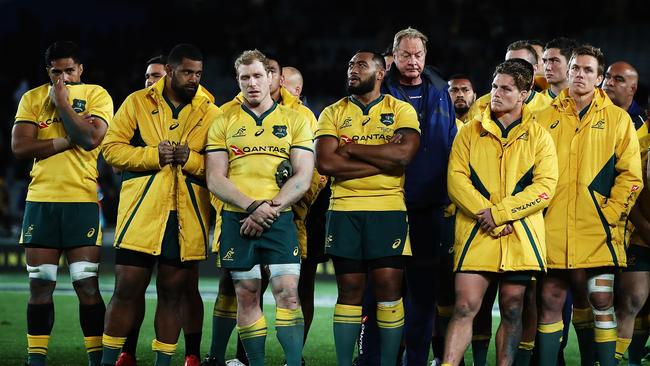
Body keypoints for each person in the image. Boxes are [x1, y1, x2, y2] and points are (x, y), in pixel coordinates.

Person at [100, 43, 218, 366]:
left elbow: (222, 168)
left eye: (198, 73)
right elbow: (110, 149)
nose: (193, 79)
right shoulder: (137, 102)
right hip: (141, 215)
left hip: (186, 216)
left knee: (172, 293)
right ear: (169, 71)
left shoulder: (211, 112)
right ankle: (110, 360)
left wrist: (191, 160)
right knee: (126, 289)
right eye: (187, 72)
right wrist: (153, 155)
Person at [202, 55, 322, 366]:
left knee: (288, 294)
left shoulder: (295, 120)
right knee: (245, 293)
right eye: (245, 78)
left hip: (280, 219)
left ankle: (294, 363)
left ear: (271, 79)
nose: (252, 83)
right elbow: (214, 177)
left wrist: (269, 208)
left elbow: (303, 176)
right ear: (237, 80)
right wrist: (252, 207)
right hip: (237, 218)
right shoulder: (223, 122)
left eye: (257, 76)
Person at [440, 58, 558, 366]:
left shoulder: (540, 136)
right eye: (494, 86)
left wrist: (501, 213)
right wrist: (488, 215)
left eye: (506, 89)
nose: (496, 93)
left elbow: (545, 187)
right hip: (477, 231)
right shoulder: (468, 132)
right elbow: (455, 179)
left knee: (513, 307)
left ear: (524, 93)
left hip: (518, 235)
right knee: (464, 306)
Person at [536, 45, 643, 366]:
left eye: (587, 70)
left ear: (599, 78)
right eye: (575, 68)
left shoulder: (618, 120)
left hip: (599, 229)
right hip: (552, 227)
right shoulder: (543, 118)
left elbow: (632, 177)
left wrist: (610, 214)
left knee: (601, 299)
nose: (579, 74)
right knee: (550, 299)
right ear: (567, 73)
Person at [315, 50, 421, 366]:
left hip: (388, 210)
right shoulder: (332, 112)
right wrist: (381, 161)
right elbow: (326, 162)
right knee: (349, 290)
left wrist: (352, 148)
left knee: (389, 289)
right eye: (349, 64)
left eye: (361, 65)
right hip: (344, 209)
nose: (352, 69)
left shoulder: (401, 110)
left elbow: (403, 156)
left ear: (379, 72)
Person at [12, 40, 113, 366]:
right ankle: (36, 361)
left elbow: (90, 139)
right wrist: (67, 138)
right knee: (40, 286)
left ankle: (96, 360)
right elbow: (20, 148)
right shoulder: (32, 98)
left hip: (81, 201)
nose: (63, 78)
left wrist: (63, 105)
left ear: (80, 69)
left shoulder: (97, 94)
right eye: (56, 72)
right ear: (48, 71)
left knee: (86, 285)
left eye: (69, 70)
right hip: (40, 201)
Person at [601, 60, 650, 364]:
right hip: (635, 233)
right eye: (607, 77)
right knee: (629, 299)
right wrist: (644, 227)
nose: (608, 82)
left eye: (617, 79)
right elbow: (630, 186)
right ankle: (616, 358)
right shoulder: (638, 139)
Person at [466, 40, 552, 123]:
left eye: (520, 65)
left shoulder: (548, 108)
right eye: (508, 64)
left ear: (534, 69)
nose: (511, 70)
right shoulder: (480, 106)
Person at [603, 61, 647, 128]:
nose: (609, 83)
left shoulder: (644, 124)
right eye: (607, 76)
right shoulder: (587, 110)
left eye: (618, 79)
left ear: (632, 89)